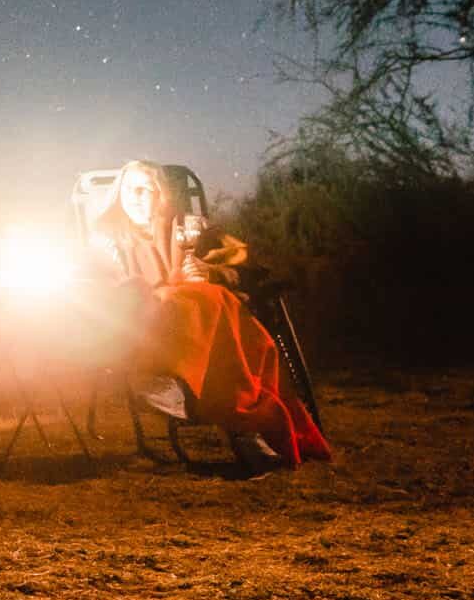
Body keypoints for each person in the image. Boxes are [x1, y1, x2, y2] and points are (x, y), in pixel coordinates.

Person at [86, 160, 330, 469]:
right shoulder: (107, 239)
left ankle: (249, 427)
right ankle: (246, 429)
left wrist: (211, 271)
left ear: (161, 195)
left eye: (144, 189)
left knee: (207, 297)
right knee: (196, 300)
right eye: (127, 190)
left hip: (206, 329)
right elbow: (107, 294)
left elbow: (245, 264)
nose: (134, 196)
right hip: (151, 330)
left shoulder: (190, 228)